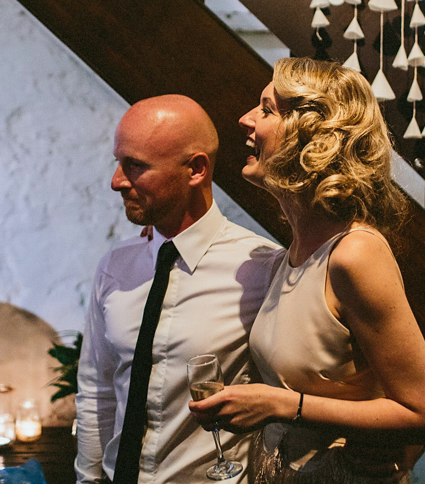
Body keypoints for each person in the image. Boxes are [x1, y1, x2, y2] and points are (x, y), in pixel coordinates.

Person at [190, 58, 425, 483]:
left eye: (267, 109)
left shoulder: (354, 254)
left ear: (312, 134)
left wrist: (279, 405)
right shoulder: (291, 254)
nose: (246, 119)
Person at [74, 95, 280, 484]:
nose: (116, 181)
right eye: (118, 162)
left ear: (196, 169)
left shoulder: (260, 269)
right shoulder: (116, 267)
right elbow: (97, 392)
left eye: (135, 165)